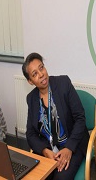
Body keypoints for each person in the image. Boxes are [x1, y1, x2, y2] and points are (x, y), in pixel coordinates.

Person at [22, 52, 89, 180]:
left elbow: (80, 118)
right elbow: (30, 134)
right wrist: (45, 151)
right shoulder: (31, 98)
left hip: (71, 143)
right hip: (48, 149)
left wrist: (69, 148)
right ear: (30, 81)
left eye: (41, 68)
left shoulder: (63, 83)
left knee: (60, 178)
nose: (41, 74)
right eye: (35, 74)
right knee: (38, 176)